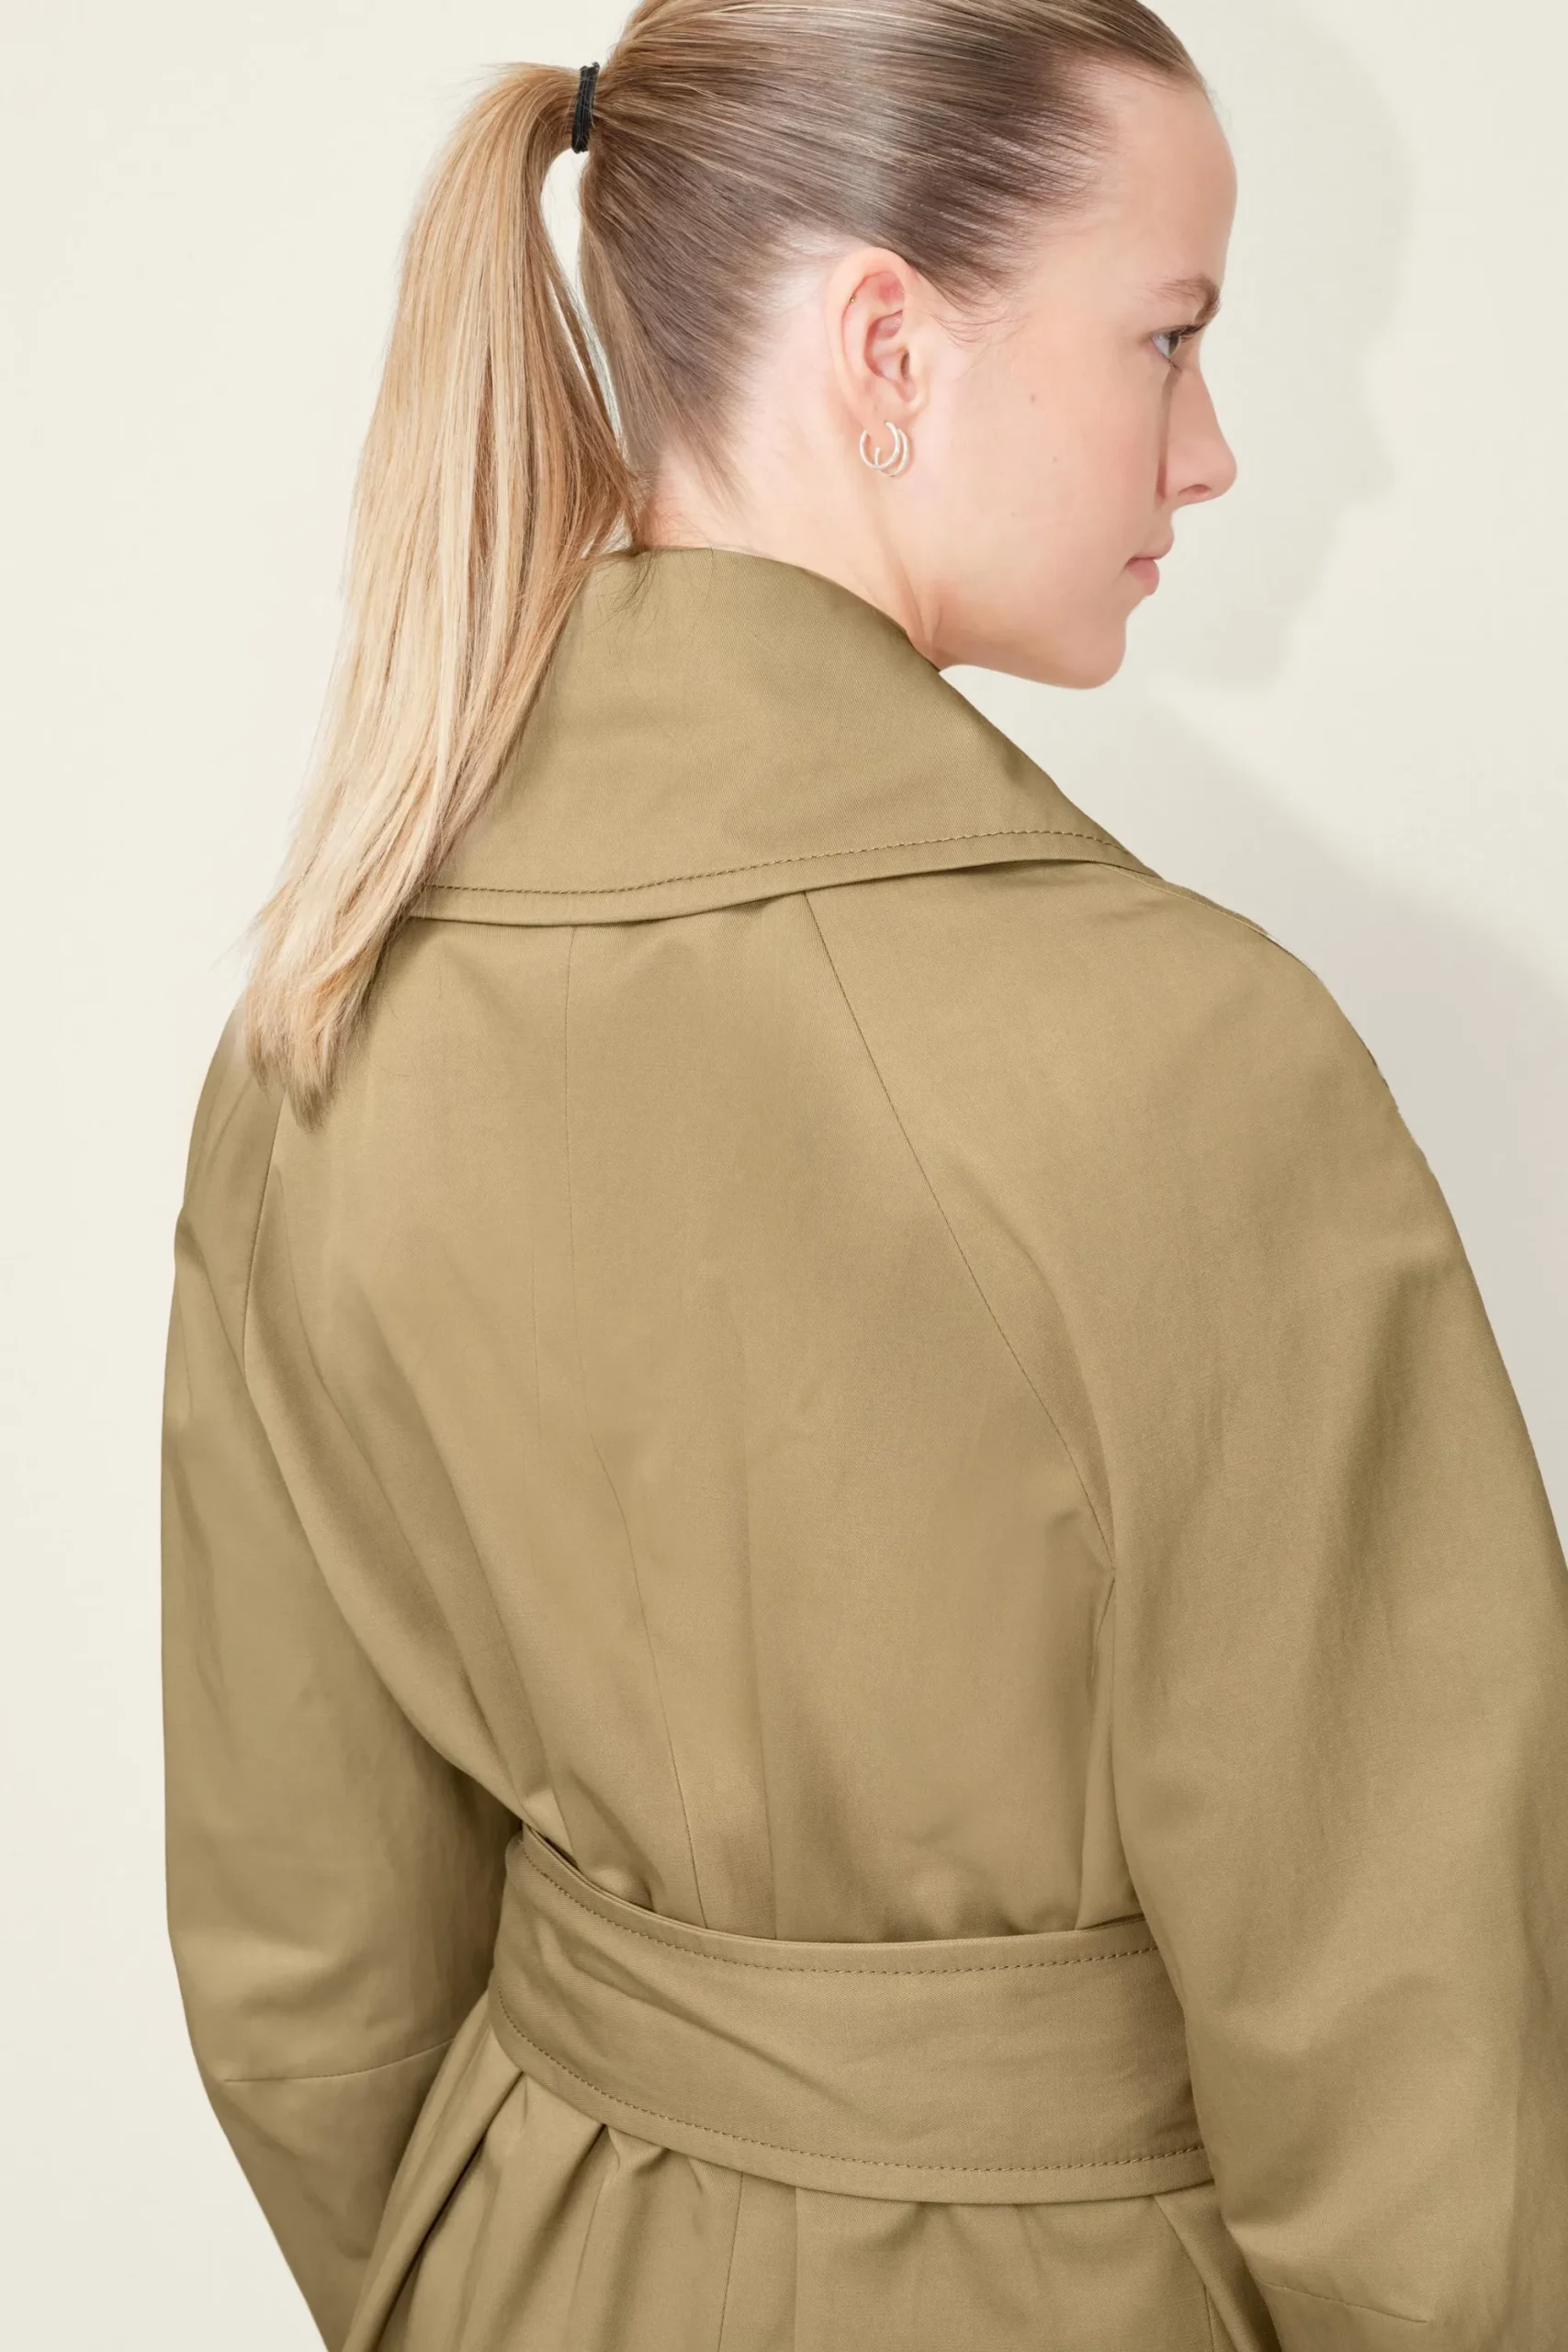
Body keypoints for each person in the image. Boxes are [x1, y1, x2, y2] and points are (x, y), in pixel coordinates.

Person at [159, 4, 1568, 2348]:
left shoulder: (317, 1028)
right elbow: (1430, 2076)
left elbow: (301, 1981)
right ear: (887, 347)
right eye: (1169, 335)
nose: (1211, 446)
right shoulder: (1194, 1064)